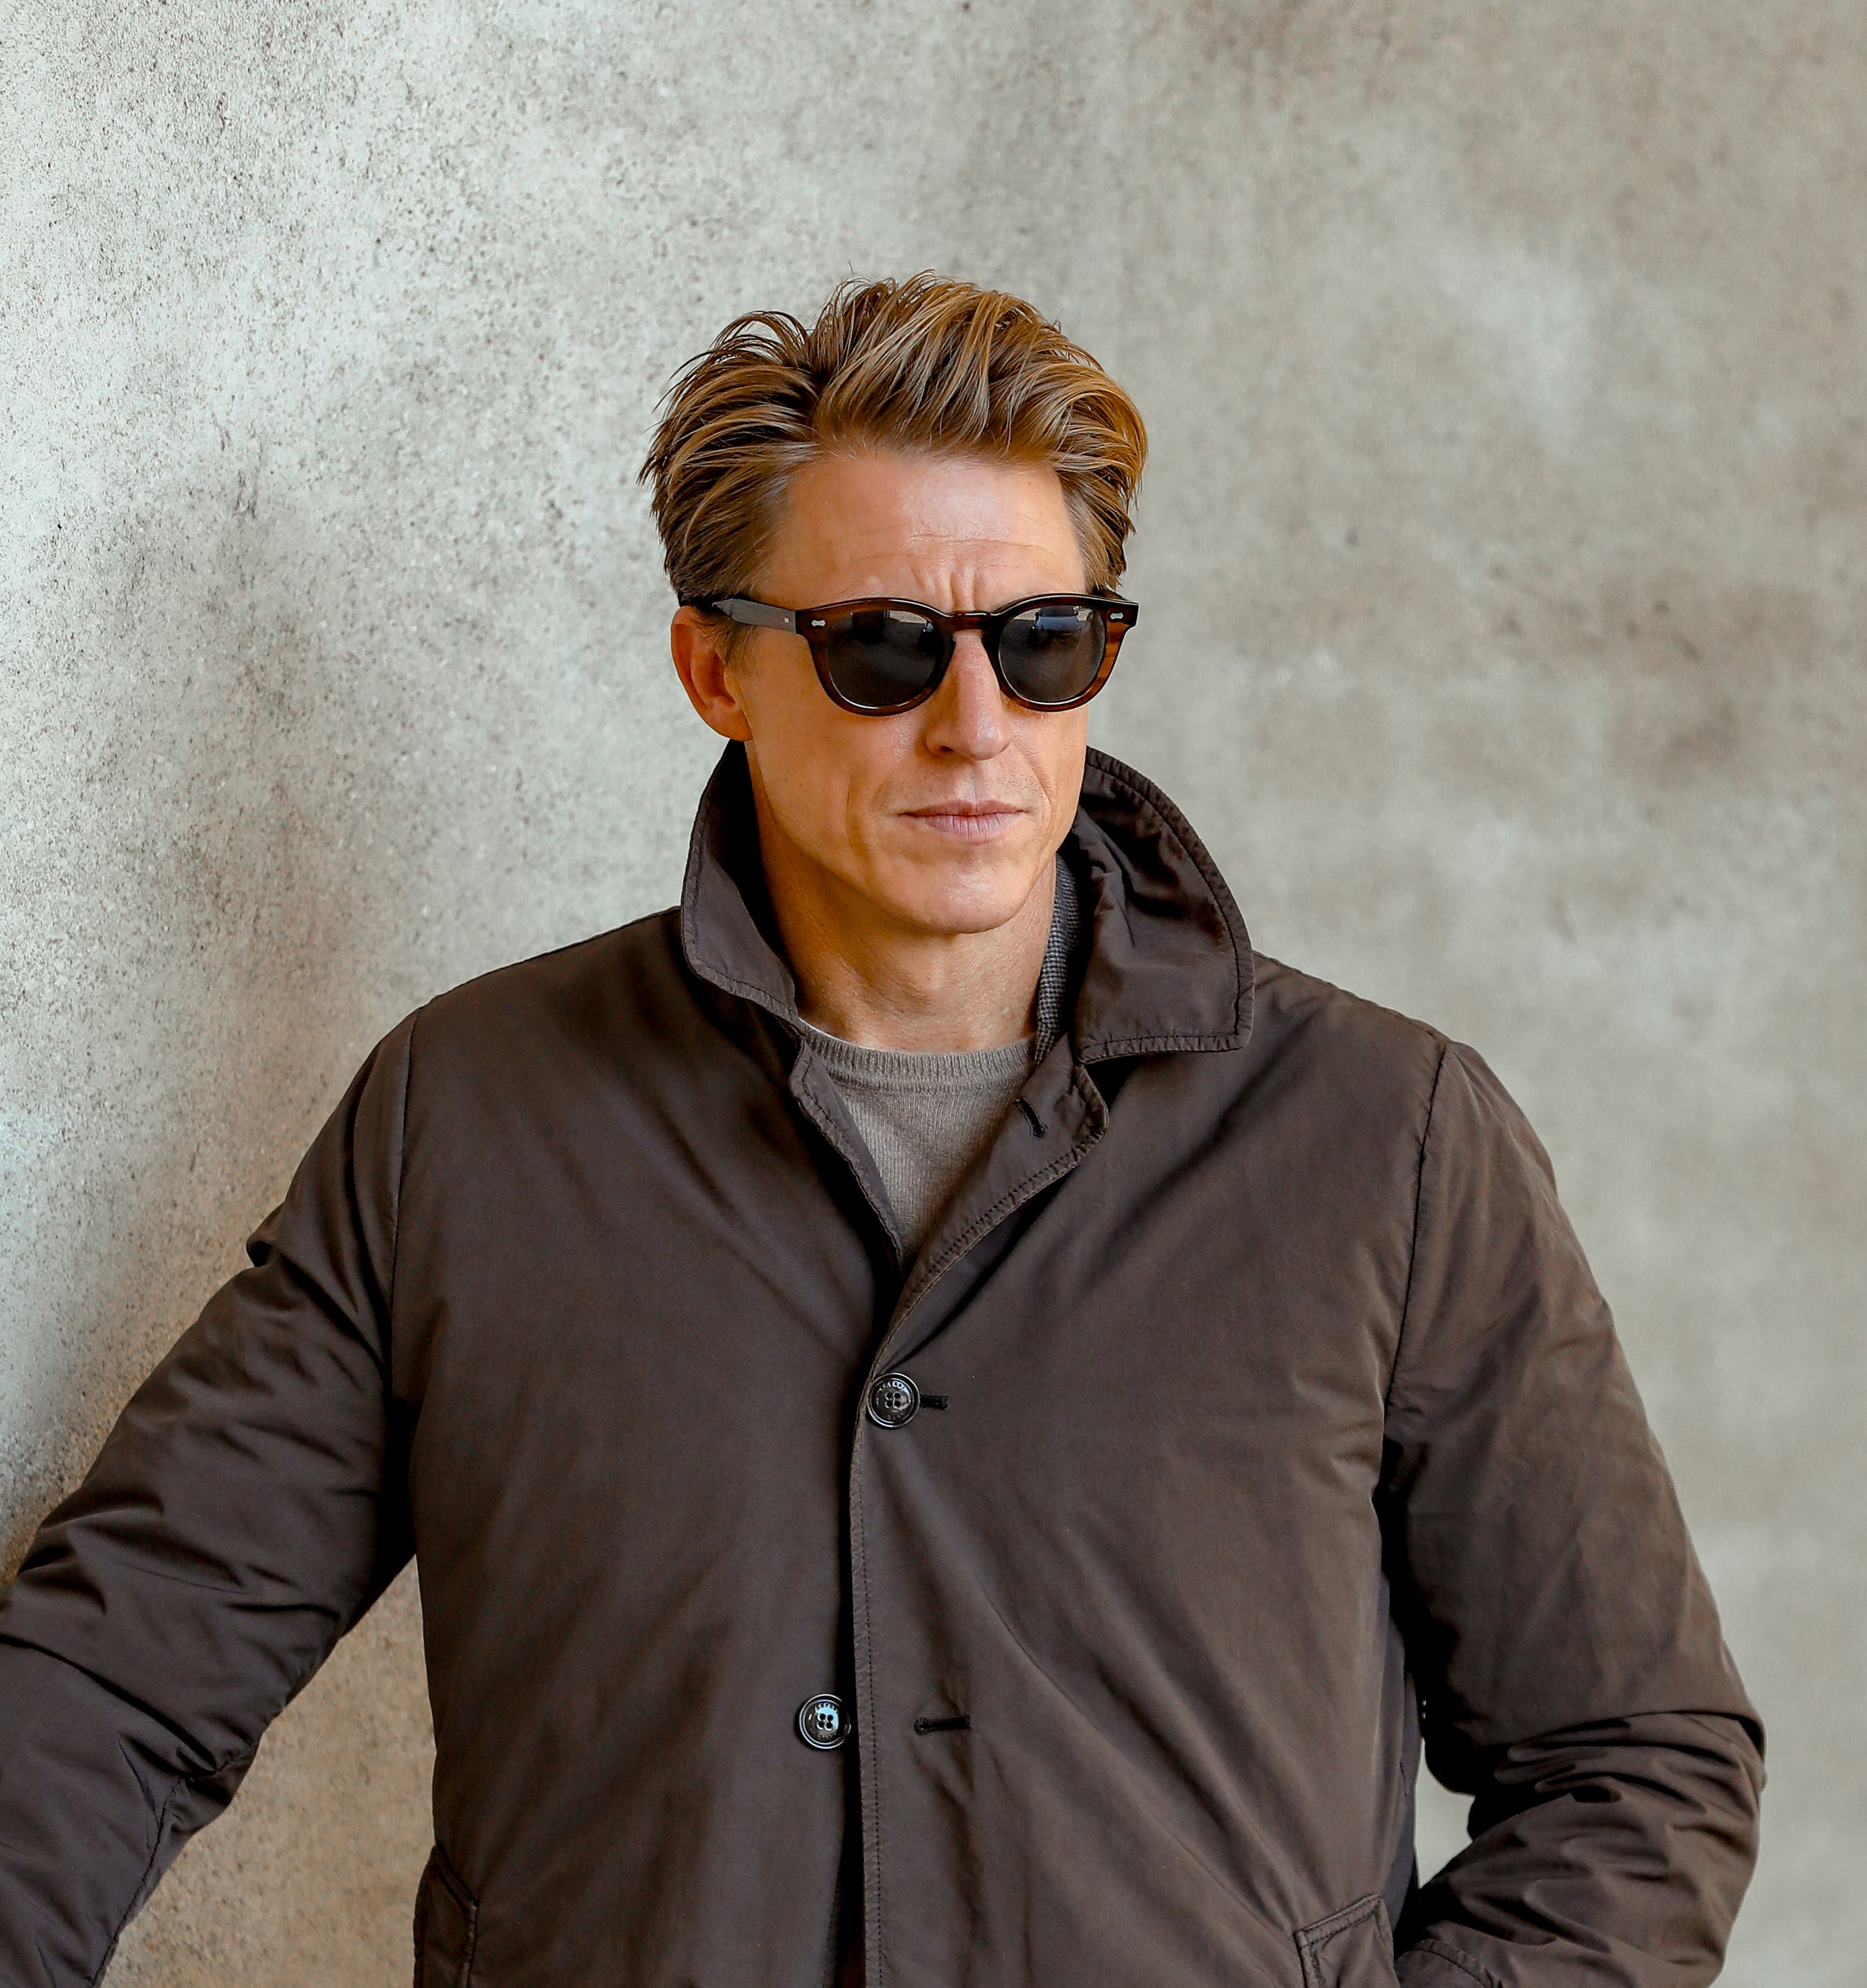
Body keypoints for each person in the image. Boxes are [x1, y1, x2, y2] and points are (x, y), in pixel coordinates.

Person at [0, 274, 1763, 1988]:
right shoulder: (464, 1122)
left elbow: (1632, 1765)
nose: (975, 724)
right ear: (714, 666)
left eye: (1045, 643)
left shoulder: (1384, 1141)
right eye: (882, 649)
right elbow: (113, 1677)